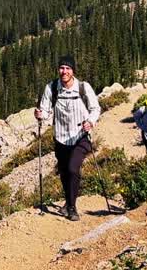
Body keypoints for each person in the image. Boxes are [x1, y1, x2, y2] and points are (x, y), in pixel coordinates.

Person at [34, 55, 100, 221]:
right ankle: (68, 202)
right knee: (63, 172)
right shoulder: (52, 88)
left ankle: (72, 207)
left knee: (72, 169)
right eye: (62, 68)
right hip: (61, 137)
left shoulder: (83, 88)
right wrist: (40, 115)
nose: (64, 71)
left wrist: (90, 122)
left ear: (73, 71)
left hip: (80, 137)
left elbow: (95, 108)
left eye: (68, 68)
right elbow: (46, 111)